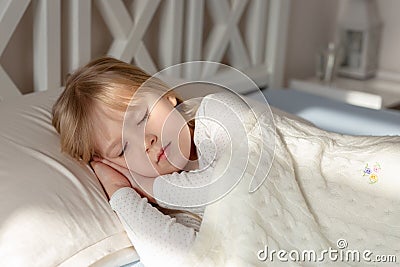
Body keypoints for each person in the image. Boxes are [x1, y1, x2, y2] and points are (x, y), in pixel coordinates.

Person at [51, 57, 269, 266]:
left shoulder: (218, 113)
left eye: (142, 116)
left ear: (166, 96)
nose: (147, 141)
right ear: (112, 164)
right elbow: (188, 260)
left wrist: (152, 188)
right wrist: (120, 192)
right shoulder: (174, 216)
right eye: (122, 149)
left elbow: (234, 187)